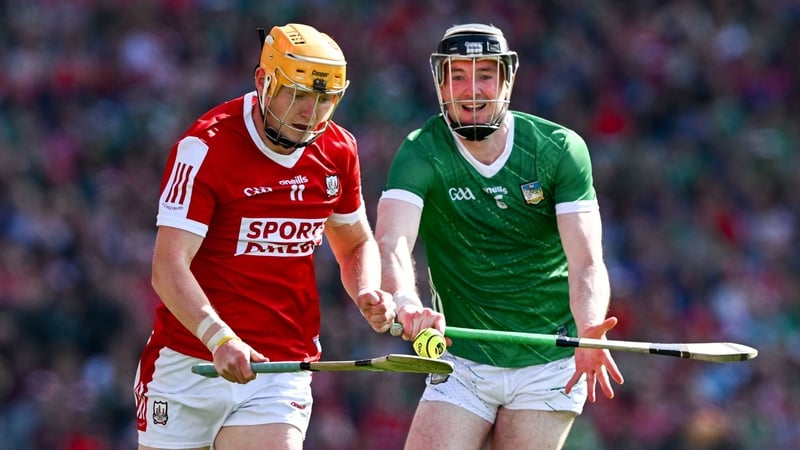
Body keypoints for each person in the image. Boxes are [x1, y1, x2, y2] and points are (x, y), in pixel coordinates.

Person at [133, 23, 395, 450]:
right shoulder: (206, 146)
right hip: (191, 362)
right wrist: (220, 339)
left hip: (280, 368)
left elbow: (355, 243)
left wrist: (366, 288)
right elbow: (168, 266)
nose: (310, 112)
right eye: (297, 94)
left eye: (324, 99)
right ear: (263, 80)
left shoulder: (338, 151)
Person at [376, 23, 625, 449]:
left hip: (549, 361)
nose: (471, 89)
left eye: (485, 75)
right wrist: (406, 302)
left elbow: (585, 261)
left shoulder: (558, 149)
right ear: (440, 83)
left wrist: (588, 329)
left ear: (507, 80)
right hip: (462, 359)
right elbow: (392, 243)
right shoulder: (421, 152)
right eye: (458, 76)